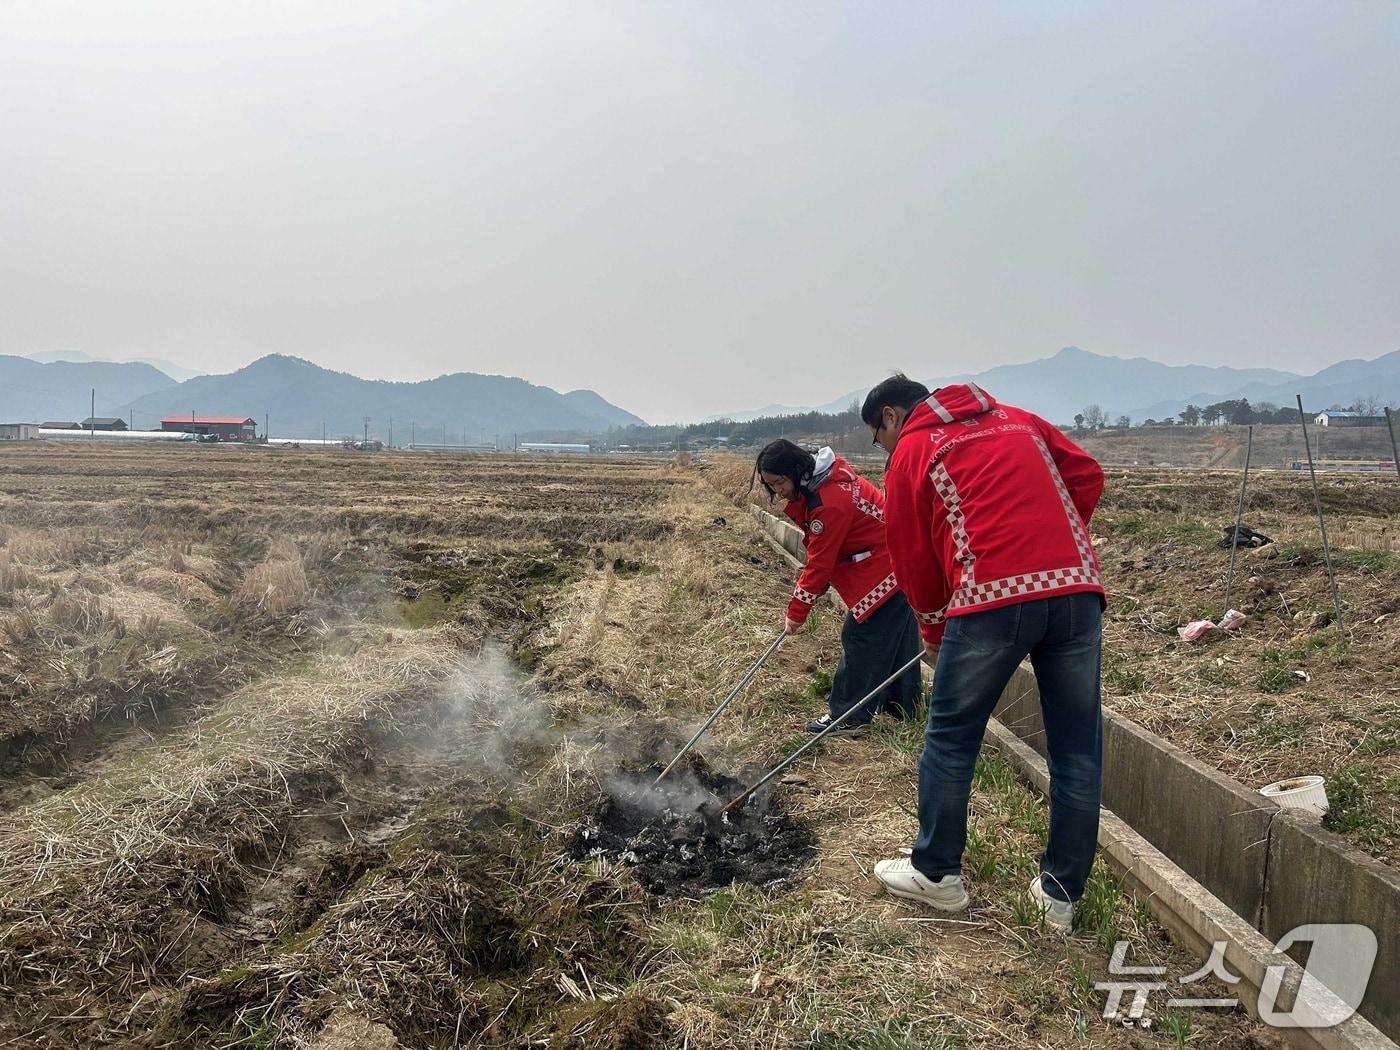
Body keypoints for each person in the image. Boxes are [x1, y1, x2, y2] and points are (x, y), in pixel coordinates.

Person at [862, 375, 1105, 930]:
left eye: (879, 436)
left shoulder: (914, 451)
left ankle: (937, 874)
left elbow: (912, 553)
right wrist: (1053, 541)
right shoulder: (1022, 420)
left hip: (990, 596)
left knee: (951, 737)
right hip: (1076, 591)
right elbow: (1086, 475)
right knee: (1077, 749)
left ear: (893, 417)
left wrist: (931, 626)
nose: (884, 449)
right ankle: (1060, 897)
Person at [753, 439, 921, 735]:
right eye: (771, 485)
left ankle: (847, 717)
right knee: (896, 642)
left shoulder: (829, 501)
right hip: (895, 562)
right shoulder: (824, 479)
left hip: (885, 567)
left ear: (796, 469)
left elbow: (820, 564)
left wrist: (797, 611)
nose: (778, 491)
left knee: (860, 640)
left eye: (780, 482)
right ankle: (903, 709)